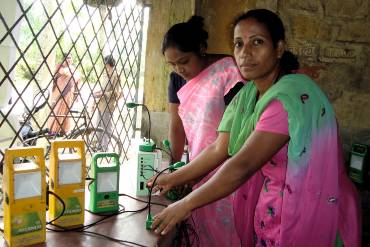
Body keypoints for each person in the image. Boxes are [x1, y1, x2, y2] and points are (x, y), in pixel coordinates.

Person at [148, 9, 361, 247]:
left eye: (257, 42)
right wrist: (173, 178)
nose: (245, 53)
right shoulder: (248, 95)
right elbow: (220, 148)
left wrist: (185, 205)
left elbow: (243, 166)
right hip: (272, 210)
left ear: (278, 48)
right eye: (238, 44)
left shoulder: (289, 97)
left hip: (307, 208)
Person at [162, 16, 245, 246]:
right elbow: (176, 126)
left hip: (226, 163)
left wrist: (183, 175)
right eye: (172, 64)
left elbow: (232, 139)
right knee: (198, 231)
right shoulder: (177, 80)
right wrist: (174, 169)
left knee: (226, 230)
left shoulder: (227, 72)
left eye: (184, 60)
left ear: (201, 49)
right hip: (196, 163)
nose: (179, 69)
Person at [48, 53, 81, 135]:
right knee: (57, 111)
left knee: (66, 111)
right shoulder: (60, 67)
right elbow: (65, 73)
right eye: (67, 58)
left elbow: (78, 79)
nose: (69, 60)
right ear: (63, 59)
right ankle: (53, 130)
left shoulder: (74, 70)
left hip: (69, 93)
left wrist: (77, 94)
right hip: (59, 93)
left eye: (70, 58)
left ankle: (64, 130)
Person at [92, 55, 120, 150]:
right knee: (99, 125)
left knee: (107, 127)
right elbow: (104, 89)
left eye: (105, 63)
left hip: (108, 105)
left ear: (107, 63)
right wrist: (99, 93)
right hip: (101, 104)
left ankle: (105, 148)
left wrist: (103, 94)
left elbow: (116, 93)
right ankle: (99, 146)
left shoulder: (115, 75)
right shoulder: (106, 74)